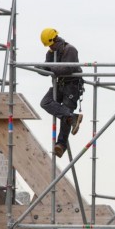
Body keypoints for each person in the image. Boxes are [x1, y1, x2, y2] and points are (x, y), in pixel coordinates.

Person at [38, 28, 84, 158]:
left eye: (51, 44)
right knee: (45, 102)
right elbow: (46, 70)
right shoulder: (51, 53)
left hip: (72, 84)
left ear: (56, 39)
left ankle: (61, 145)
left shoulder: (70, 50)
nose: (50, 47)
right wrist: (40, 68)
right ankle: (71, 117)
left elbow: (67, 69)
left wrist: (50, 67)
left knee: (66, 108)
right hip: (60, 83)